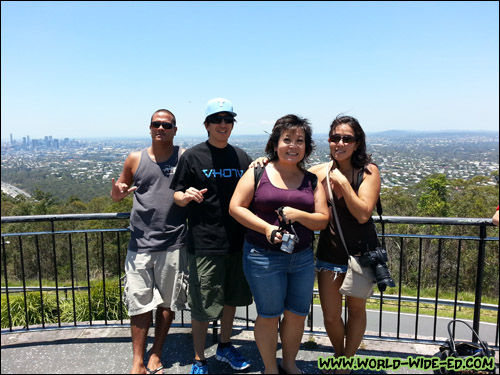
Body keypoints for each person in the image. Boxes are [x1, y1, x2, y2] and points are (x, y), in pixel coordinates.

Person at [229, 114, 329, 374]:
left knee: (297, 313)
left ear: (306, 146)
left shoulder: (311, 180)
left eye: (300, 140)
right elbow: (235, 207)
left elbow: (321, 220)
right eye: (287, 140)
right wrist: (266, 228)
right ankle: (270, 368)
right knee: (270, 314)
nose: (293, 145)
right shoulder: (258, 172)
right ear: (275, 144)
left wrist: (298, 215)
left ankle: (290, 363)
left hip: (303, 257)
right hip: (263, 256)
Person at [170, 98, 254, 374]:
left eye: (228, 119)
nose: (223, 124)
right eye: (217, 119)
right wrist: (186, 196)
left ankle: (224, 345)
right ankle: (199, 359)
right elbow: (177, 193)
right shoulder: (193, 156)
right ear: (207, 125)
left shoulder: (242, 157)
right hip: (205, 242)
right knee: (203, 305)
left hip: (237, 242)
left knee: (230, 299)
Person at [110, 108, 188, 375]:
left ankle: (156, 353)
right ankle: (137, 362)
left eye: (167, 125)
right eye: (156, 124)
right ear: (150, 127)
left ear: (175, 130)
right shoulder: (135, 159)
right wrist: (116, 191)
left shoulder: (184, 156)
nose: (161, 128)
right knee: (139, 304)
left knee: (167, 304)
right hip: (140, 243)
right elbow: (118, 195)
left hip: (174, 241)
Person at [309, 114, 381, 373]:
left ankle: (345, 362)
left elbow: (363, 213)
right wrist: (263, 161)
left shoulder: (368, 171)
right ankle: (340, 355)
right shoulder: (318, 172)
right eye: (335, 137)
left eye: (347, 138)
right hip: (329, 253)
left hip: (361, 252)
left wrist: (341, 182)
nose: (340, 143)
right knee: (330, 315)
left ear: (357, 143)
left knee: (356, 309)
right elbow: (286, 171)